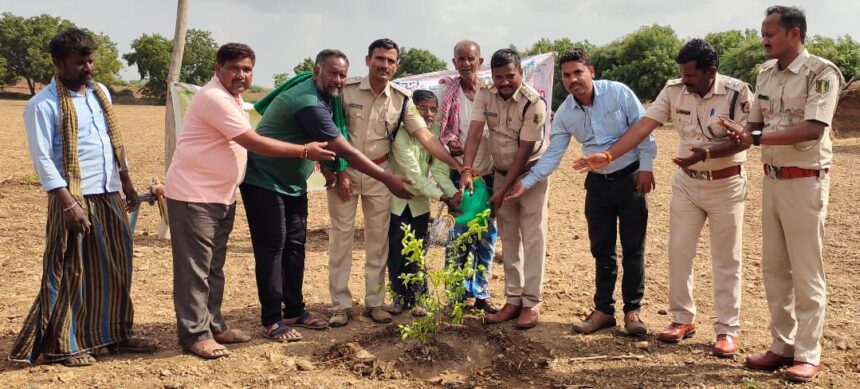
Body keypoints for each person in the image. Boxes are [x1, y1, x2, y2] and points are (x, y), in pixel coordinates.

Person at [573, 40, 752, 355]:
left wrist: (707, 153)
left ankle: (727, 329)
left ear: (711, 72)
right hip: (687, 183)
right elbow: (644, 125)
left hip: (726, 185)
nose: (685, 80)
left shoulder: (737, 93)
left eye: (691, 75)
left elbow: (745, 139)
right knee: (679, 253)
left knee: (727, 259)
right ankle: (683, 319)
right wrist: (609, 155)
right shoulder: (673, 90)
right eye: (682, 74)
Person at [165, 43, 336, 359]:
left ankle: (214, 325)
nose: (241, 75)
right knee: (195, 270)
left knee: (213, 267)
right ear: (218, 69)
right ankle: (195, 335)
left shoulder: (231, 98)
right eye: (234, 68)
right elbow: (252, 141)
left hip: (219, 195)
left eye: (246, 69)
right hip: (194, 195)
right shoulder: (215, 98)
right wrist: (303, 151)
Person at [241, 49, 416, 339]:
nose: (338, 80)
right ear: (317, 72)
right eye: (332, 73)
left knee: (295, 246)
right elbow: (343, 147)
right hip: (264, 181)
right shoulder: (309, 101)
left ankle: (294, 309)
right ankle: (272, 319)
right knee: (273, 249)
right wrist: (386, 178)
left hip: (292, 183)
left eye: (342, 75)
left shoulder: (329, 96)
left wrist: (331, 167)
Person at [11, 28, 158, 367]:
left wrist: (127, 182)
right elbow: (43, 160)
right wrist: (69, 204)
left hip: (109, 192)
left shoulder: (100, 93)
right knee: (73, 271)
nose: (88, 68)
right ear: (58, 62)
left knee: (116, 266)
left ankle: (116, 334)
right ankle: (66, 343)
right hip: (74, 197)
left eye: (90, 61)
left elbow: (111, 143)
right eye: (80, 63)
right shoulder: (42, 105)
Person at [721, 6, 842, 382]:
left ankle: (808, 353)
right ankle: (782, 345)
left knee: (806, 271)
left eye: (770, 33)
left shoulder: (821, 73)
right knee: (774, 269)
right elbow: (756, 125)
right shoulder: (765, 74)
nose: (764, 40)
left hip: (805, 181)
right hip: (772, 180)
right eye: (763, 33)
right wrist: (739, 132)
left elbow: (813, 128)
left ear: (795, 33)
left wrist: (755, 138)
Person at [510, 48, 656, 335]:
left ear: (591, 71)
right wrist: (525, 182)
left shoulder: (619, 93)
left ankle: (633, 311)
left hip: (631, 180)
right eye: (566, 75)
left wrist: (646, 167)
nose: (572, 79)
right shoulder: (565, 113)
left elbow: (644, 130)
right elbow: (553, 154)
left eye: (578, 72)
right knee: (602, 250)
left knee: (633, 248)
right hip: (598, 186)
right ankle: (604, 311)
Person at [328, 38, 461, 327]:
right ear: (368, 60)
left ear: (396, 66)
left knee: (378, 242)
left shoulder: (402, 100)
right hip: (346, 173)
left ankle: (374, 303)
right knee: (341, 240)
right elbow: (332, 130)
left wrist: (457, 166)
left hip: (381, 175)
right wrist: (336, 171)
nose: (384, 65)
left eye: (390, 61)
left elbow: (426, 138)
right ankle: (340, 305)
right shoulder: (346, 90)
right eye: (379, 59)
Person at [460, 49, 548, 329]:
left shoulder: (534, 103)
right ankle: (513, 299)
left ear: (521, 73)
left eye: (510, 76)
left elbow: (524, 152)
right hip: (500, 173)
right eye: (498, 77)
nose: (504, 82)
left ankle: (531, 302)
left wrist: (503, 190)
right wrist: (467, 169)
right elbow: (475, 131)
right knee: (508, 237)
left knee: (532, 237)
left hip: (530, 176)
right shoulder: (485, 94)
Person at [438, 40, 499, 313]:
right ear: (454, 63)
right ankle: (456, 295)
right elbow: (438, 131)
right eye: (460, 59)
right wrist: (449, 144)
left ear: (480, 62)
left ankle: (481, 292)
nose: (465, 64)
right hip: (459, 175)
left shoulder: (491, 92)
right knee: (458, 235)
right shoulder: (447, 93)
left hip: (490, 175)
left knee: (486, 236)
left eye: (470, 58)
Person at [386, 89, 460, 315]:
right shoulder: (400, 135)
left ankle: (419, 298)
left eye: (433, 109)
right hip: (397, 201)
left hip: (420, 203)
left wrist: (453, 194)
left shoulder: (435, 134)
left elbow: (439, 170)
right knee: (397, 251)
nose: (429, 114)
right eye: (423, 109)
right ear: (412, 111)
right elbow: (414, 176)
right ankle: (399, 297)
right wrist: (443, 197)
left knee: (418, 251)